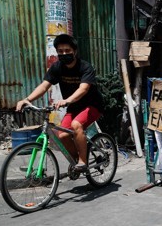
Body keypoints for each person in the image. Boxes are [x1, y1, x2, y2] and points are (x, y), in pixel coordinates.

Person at [16, 34, 104, 172]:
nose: (64, 54)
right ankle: (76, 161)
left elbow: (84, 88)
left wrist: (67, 100)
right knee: (62, 134)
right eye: (60, 51)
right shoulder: (57, 67)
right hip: (74, 107)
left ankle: (83, 161)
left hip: (92, 105)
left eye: (67, 51)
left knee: (76, 125)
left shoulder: (85, 67)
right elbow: (44, 86)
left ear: (74, 51)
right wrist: (27, 99)